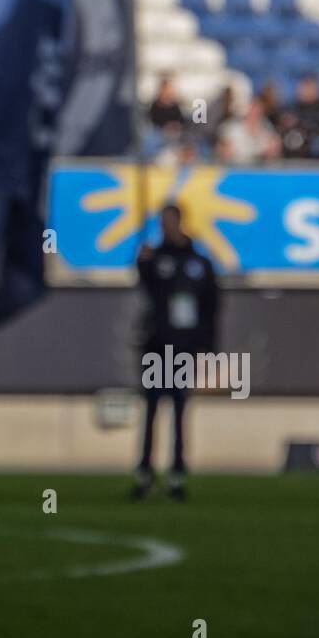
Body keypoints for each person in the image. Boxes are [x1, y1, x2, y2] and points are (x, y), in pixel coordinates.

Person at [132, 204, 219, 501]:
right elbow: (145, 288)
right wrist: (141, 262)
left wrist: (206, 345)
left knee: (179, 411)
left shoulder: (199, 264)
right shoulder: (155, 259)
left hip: (184, 348)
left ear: (180, 221)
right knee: (152, 410)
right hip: (157, 346)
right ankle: (144, 473)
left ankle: (177, 474)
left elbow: (211, 307)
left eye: (169, 220)